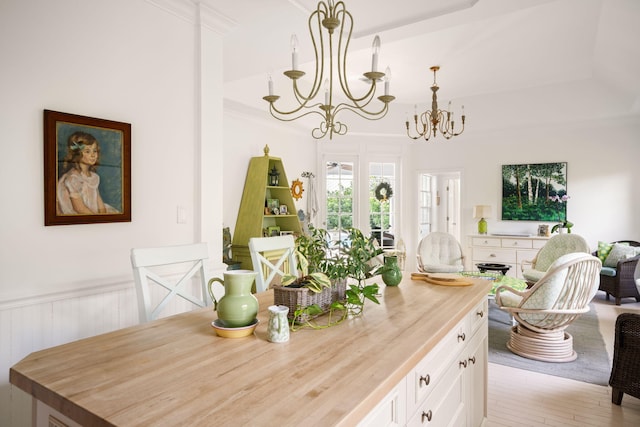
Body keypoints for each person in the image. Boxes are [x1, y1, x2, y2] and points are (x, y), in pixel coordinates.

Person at [57, 131, 118, 215]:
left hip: (93, 213)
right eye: (87, 151)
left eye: (95, 151)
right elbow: (79, 208)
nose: (93, 155)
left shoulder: (94, 177)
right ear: (78, 154)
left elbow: (99, 202)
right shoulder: (73, 178)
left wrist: (102, 215)